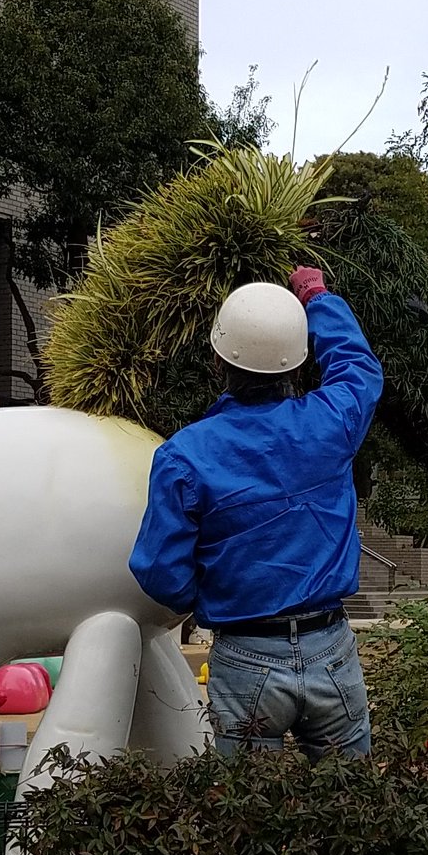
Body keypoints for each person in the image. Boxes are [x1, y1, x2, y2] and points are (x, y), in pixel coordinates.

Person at [128, 265, 383, 760]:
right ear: (296, 363)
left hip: (244, 653)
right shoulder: (331, 424)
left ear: (218, 358)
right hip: (329, 643)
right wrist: (316, 297)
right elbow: (358, 366)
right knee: (353, 815)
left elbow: (160, 572)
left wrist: (213, 592)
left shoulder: (185, 456)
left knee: (247, 820)